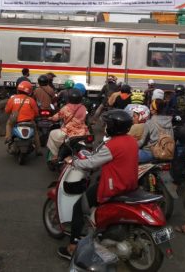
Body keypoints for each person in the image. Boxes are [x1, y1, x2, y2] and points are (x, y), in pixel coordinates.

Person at [58, 109, 139, 260]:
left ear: (113, 127)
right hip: (130, 184)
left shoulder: (112, 145)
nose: (104, 127)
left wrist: (73, 161)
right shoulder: (132, 141)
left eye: (107, 124)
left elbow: (91, 163)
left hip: (114, 186)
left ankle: (72, 247)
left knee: (78, 207)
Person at [47, 88, 89, 160]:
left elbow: (56, 117)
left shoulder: (66, 108)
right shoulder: (83, 107)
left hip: (69, 132)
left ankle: (55, 155)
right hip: (83, 132)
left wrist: (51, 118)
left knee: (52, 133)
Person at [4, 80, 41, 155]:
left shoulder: (12, 99)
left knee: (8, 124)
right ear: (29, 91)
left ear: (18, 89)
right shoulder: (31, 100)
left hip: (16, 121)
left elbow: (7, 111)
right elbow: (37, 113)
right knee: (35, 132)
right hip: (29, 122)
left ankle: (8, 137)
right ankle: (38, 150)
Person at [137, 99, 174, 163]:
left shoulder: (149, 123)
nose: (150, 109)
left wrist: (132, 145)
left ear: (154, 110)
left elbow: (142, 142)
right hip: (166, 152)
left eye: (151, 107)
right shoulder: (169, 122)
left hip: (151, 153)